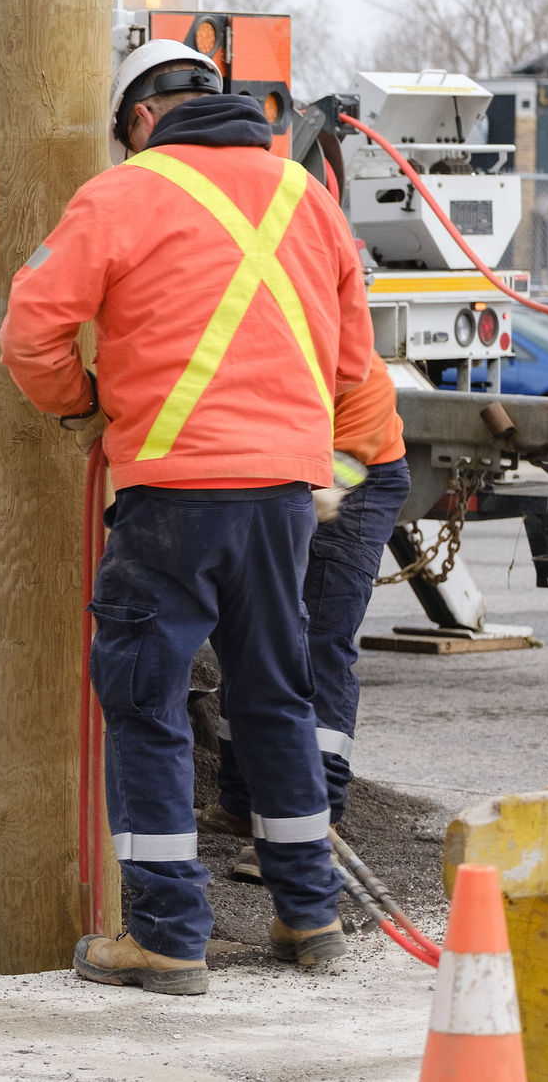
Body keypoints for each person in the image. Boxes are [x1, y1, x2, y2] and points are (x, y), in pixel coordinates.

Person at [0, 39, 373, 995]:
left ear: (137, 119)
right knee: (274, 698)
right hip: (286, 495)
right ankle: (308, 913)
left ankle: (166, 936)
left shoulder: (122, 194)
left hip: (171, 492)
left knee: (146, 696)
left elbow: (28, 329)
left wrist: (80, 401)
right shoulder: (306, 198)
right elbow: (350, 368)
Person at [206, 355, 413, 876]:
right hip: (278, 475)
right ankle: (241, 800)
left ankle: (310, 818)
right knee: (245, 628)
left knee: (318, 636)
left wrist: (314, 496)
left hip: (355, 478)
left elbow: (351, 448)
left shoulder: (351, 365)